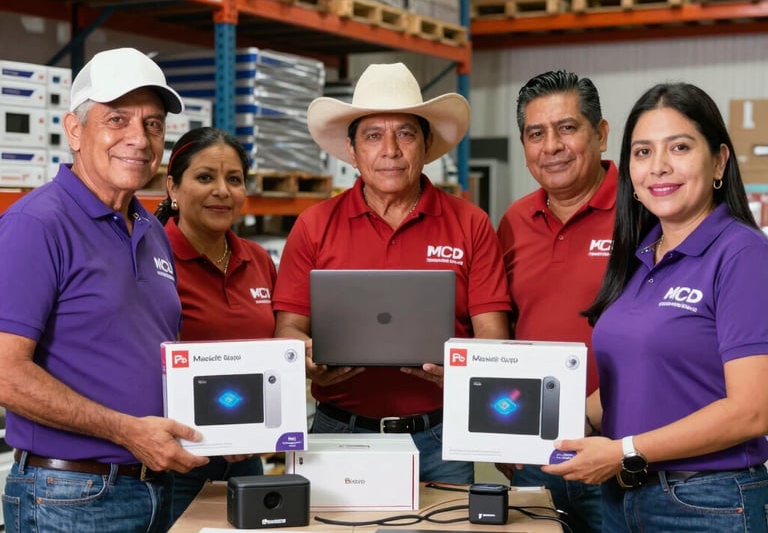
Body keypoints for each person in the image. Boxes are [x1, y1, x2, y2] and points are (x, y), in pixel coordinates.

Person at [0, 47, 209, 532]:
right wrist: (127, 432)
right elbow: (6, 374)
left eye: (153, 124)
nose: (139, 139)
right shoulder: (36, 225)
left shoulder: (151, 229)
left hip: (154, 485)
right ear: (75, 130)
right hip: (71, 498)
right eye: (117, 119)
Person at [543, 82, 768, 532]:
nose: (659, 167)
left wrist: (624, 450)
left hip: (708, 502)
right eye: (642, 152)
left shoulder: (742, 254)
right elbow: (630, 386)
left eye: (679, 147)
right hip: (623, 497)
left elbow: (753, 408)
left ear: (720, 159)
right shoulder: (639, 255)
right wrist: (535, 417)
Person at [272, 62, 511, 483]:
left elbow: (493, 334)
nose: (390, 150)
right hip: (337, 433)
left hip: (440, 437)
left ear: (426, 143)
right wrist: (305, 358)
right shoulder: (313, 225)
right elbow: (288, 329)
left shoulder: (470, 223)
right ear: (352, 150)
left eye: (405, 133)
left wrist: (463, 367)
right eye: (373, 135)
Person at [495, 69, 611, 532]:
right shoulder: (513, 222)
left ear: (601, 134)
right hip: (534, 451)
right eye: (536, 133)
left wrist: (594, 419)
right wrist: (501, 435)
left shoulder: (643, 212)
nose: (552, 146)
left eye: (567, 128)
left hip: (615, 451)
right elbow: (501, 328)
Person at [154, 126, 278, 523]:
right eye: (205, 177)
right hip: (177, 463)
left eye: (234, 179)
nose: (222, 191)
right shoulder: (150, 260)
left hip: (246, 459)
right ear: (173, 188)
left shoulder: (258, 260)